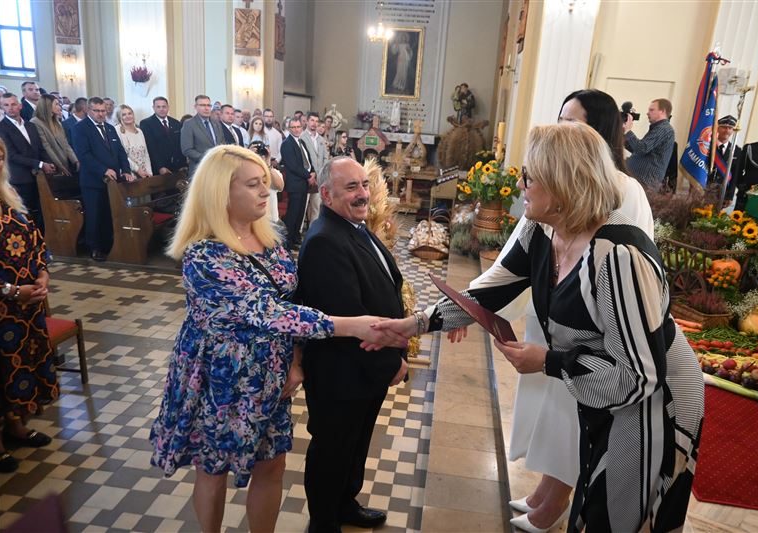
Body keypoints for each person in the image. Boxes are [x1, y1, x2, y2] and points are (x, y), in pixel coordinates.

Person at [377, 122, 704, 533]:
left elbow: (639, 376)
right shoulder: (543, 229)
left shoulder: (617, 255)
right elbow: (487, 293)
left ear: (563, 183)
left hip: (654, 400)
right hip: (611, 386)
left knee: (618, 511)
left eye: (529, 177)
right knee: (592, 492)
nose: (520, 185)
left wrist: (549, 361)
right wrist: (416, 324)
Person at [149, 145, 405, 533]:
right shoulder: (204, 254)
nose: (264, 192)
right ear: (221, 192)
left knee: (271, 467)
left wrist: (296, 361)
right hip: (222, 380)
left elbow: (295, 298)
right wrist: (350, 325)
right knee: (213, 470)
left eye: (264, 183)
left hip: (271, 377)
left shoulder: (270, 238)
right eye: (253, 184)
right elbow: (268, 312)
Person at [499, 89, 655, 532]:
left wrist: (554, 359)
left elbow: (633, 362)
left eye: (572, 123)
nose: (522, 186)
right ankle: (547, 493)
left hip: (607, 352)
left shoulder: (619, 230)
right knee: (557, 416)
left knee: (581, 432)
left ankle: (556, 502)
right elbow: (508, 267)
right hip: (564, 328)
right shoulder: (548, 208)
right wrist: (450, 313)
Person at [297, 156, 409, 533]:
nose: (363, 194)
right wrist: (392, 363)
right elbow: (349, 315)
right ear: (326, 195)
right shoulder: (324, 241)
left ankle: (345, 504)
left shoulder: (353, 226)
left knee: (355, 444)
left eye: (364, 184)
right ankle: (323, 523)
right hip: (341, 372)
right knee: (332, 450)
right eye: (351, 187)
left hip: (364, 371)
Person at [0, 137, 58, 474]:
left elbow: (35, 241)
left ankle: (16, 426)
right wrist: (10, 290)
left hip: (25, 307)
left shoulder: (8, 195)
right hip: (3, 306)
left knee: (17, 368)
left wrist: (43, 273)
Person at [72, 97, 133, 261]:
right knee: (95, 215)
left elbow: (120, 152)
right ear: (88, 110)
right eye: (97, 111)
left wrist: (126, 170)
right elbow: (84, 155)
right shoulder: (80, 128)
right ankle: (94, 248)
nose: (100, 114)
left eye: (103, 111)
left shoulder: (110, 128)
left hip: (113, 181)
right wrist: (103, 170)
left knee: (109, 214)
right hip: (93, 181)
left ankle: (109, 246)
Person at [0, 93, 56, 233]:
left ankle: (41, 240)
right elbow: (11, 155)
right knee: (26, 215)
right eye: (6, 105)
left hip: (39, 177)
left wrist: (48, 163)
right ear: (2, 107)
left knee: (43, 212)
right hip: (20, 179)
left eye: (13, 104)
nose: (10, 108)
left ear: (20, 106)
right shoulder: (1, 127)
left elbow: (40, 148)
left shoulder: (30, 125)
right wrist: (40, 164)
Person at [623, 98, 675, 189]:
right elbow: (637, 150)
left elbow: (641, 148)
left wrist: (628, 130)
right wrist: (623, 132)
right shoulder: (658, 128)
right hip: (638, 181)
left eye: (651, 110)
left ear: (662, 111)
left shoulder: (664, 129)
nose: (647, 113)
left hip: (645, 183)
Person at [280, 117, 314, 250]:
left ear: (302, 128)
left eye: (298, 127)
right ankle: (288, 242)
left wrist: (313, 172)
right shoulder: (286, 144)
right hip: (295, 184)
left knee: (300, 214)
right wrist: (308, 176)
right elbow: (293, 166)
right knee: (293, 214)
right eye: (293, 127)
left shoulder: (301, 141)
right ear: (289, 129)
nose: (296, 129)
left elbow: (308, 160)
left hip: (304, 183)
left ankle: (295, 238)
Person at [31, 94, 80, 179]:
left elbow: (65, 143)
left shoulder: (56, 122)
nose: (60, 107)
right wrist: (60, 166)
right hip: (51, 165)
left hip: (64, 162)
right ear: (48, 106)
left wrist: (75, 160)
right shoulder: (36, 122)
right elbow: (46, 146)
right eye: (56, 104)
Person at [139, 96, 186, 175]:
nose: (161, 109)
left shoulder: (176, 123)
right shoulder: (146, 124)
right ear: (153, 108)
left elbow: (180, 145)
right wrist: (160, 167)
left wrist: (183, 164)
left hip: (177, 167)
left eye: (164, 106)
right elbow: (151, 148)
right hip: (160, 168)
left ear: (168, 107)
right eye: (158, 107)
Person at [180, 95, 225, 176]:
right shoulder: (189, 124)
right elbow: (187, 149)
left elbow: (222, 143)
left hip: (218, 169)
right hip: (200, 170)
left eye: (208, 105)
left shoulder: (217, 124)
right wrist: (207, 158)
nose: (206, 108)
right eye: (202, 105)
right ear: (195, 107)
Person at [300, 112, 328, 226]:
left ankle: (313, 231)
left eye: (316, 121)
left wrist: (320, 173)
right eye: (312, 120)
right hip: (306, 178)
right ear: (307, 121)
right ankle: (299, 230)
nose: (314, 123)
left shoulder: (321, 139)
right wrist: (310, 174)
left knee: (316, 207)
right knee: (303, 208)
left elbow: (325, 157)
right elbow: (302, 158)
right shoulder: (302, 137)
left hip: (319, 178)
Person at [709, 115, 742, 205]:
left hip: (723, 192)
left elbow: (735, 175)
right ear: (718, 128)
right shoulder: (708, 145)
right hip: (705, 188)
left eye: (730, 128)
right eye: (724, 127)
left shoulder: (736, 150)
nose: (727, 130)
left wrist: (730, 196)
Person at [116, 105, 153, 180]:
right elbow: (121, 155)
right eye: (124, 114)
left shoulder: (139, 131)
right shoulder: (117, 130)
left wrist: (149, 172)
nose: (128, 116)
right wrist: (137, 169)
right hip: (129, 173)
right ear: (119, 117)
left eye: (130, 113)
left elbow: (146, 154)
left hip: (144, 173)